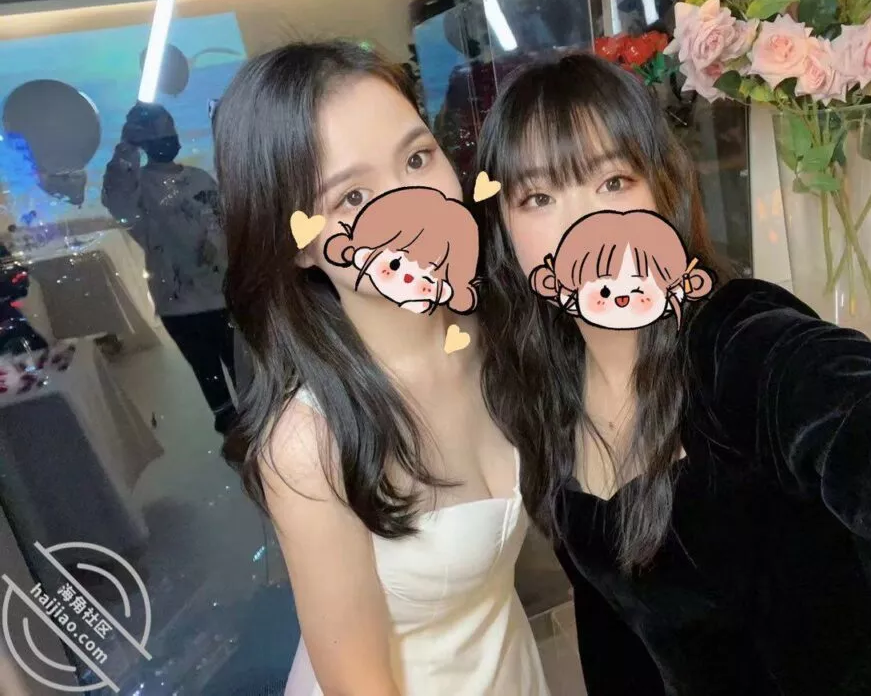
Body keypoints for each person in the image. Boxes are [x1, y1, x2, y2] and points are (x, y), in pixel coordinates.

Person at [471, 52, 871, 696]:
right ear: (506, 232)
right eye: (539, 198)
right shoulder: (546, 405)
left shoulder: (738, 343)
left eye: (614, 182)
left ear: (663, 193)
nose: (585, 226)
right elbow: (617, 640)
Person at [213, 41, 549, 696]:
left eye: (418, 159)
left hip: (508, 663)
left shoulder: (497, 333)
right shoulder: (309, 446)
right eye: (353, 197)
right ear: (298, 244)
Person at [102, 103, 237, 435]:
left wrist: (217, 242)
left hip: (222, 294)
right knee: (208, 371)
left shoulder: (199, 178)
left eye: (169, 128)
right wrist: (126, 148)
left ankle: (265, 427)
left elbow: (223, 218)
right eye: (158, 132)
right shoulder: (138, 189)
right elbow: (117, 200)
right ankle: (233, 432)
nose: (167, 137)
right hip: (178, 302)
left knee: (242, 367)